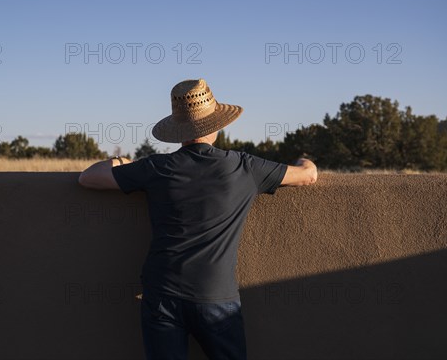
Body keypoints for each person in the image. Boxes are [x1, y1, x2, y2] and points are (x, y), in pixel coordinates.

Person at [78, 79, 317, 360]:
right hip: (216, 296)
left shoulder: (156, 167)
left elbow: (88, 177)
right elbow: (308, 176)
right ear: (216, 125)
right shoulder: (244, 167)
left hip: (162, 295)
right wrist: (305, 160)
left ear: (179, 130)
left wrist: (120, 162)